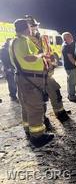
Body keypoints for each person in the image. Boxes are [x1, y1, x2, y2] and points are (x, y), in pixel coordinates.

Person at [9, 18, 54, 147]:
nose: (31, 29)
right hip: (30, 78)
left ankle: (28, 129)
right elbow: (28, 58)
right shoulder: (23, 40)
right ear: (26, 28)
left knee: (26, 106)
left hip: (23, 77)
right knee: (35, 107)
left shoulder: (14, 41)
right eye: (30, 26)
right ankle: (38, 136)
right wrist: (41, 55)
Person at [26, 15, 70, 122]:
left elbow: (49, 52)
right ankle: (42, 118)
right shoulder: (26, 40)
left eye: (35, 25)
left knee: (55, 91)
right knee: (40, 98)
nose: (34, 28)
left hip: (47, 72)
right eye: (31, 26)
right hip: (36, 74)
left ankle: (60, 112)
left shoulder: (43, 38)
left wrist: (53, 63)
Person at [61, 32, 76, 101]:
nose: (71, 37)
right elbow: (70, 57)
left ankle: (71, 95)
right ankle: (72, 96)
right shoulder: (67, 46)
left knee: (70, 81)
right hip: (70, 66)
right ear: (66, 38)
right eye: (69, 36)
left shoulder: (65, 45)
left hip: (68, 66)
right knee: (72, 82)